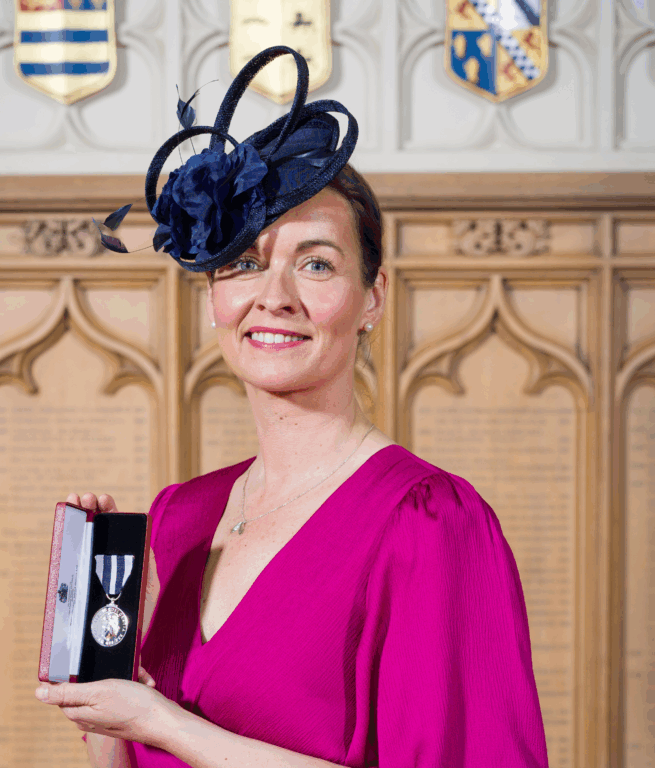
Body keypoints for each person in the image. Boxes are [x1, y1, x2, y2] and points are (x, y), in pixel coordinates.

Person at [35, 46, 550, 768]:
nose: (273, 295)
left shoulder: (431, 523)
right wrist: (105, 709)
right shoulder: (182, 516)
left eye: (315, 263)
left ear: (372, 298)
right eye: (244, 263)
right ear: (214, 295)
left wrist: (165, 722)